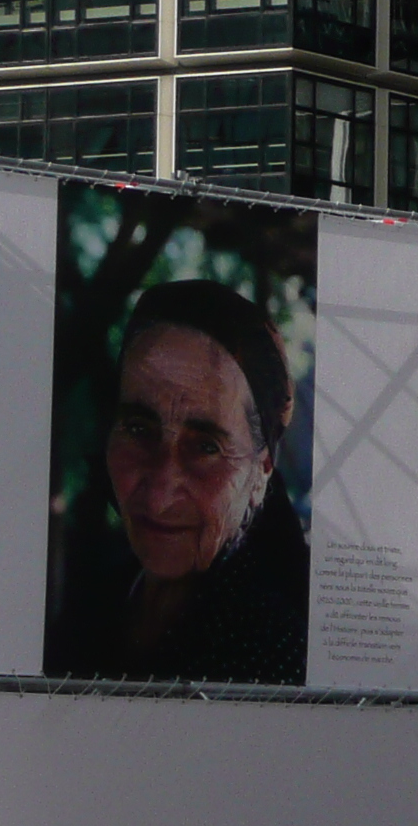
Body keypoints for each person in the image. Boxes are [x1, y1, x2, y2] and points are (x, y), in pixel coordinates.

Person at [46, 279, 309, 684]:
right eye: (138, 429)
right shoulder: (98, 598)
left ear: (261, 472)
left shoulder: (272, 652)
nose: (161, 493)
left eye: (206, 447)